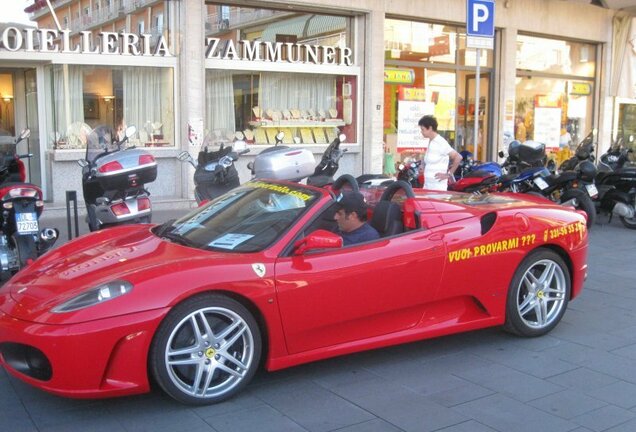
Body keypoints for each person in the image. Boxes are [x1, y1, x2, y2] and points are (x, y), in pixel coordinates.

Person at [418, 115, 462, 191]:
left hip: (437, 187)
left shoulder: (440, 142)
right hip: (428, 185)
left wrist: (448, 174)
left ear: (430, 128)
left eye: (423, 129)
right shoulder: (431, 141)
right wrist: (423, 166)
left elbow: (458, 157)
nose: (421, 132)